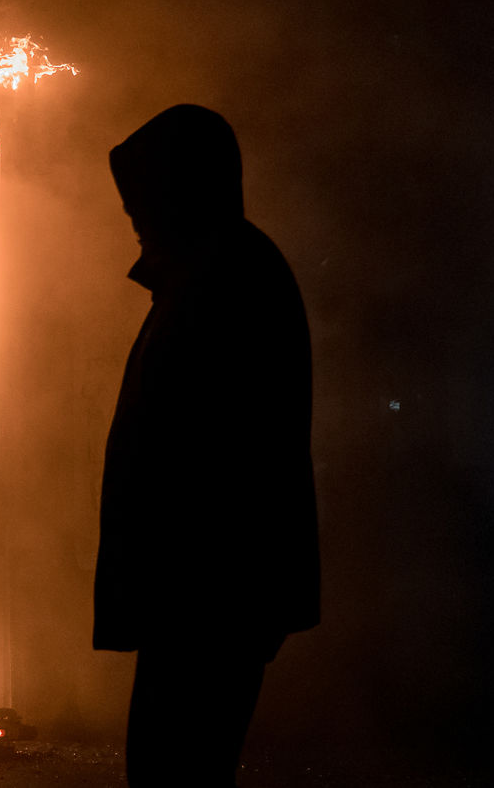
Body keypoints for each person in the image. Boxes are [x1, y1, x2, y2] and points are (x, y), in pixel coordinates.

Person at [94, 105, 321, 787]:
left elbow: (224, 458)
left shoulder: (227, 282)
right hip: (197, 592)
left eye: (142, 201)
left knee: (176, 769)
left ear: (182, 188)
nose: (133, 217)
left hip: (208, 591)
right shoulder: (209, 274)